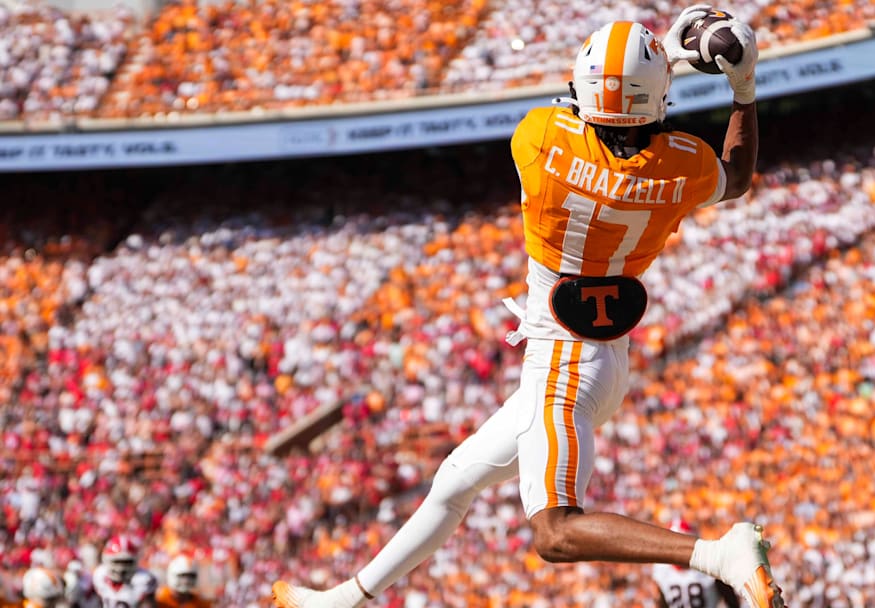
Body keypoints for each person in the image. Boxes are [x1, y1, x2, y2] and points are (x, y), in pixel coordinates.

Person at [272, 5, 785, 607]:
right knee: (455, 479)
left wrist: (665, 58)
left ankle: (717, 554)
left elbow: (595, 109)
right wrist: (742, 88)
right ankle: (345, 598)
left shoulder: (539, 138)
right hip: (604, 356)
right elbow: (737, 175)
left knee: (555, 531)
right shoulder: (683, 163)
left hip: (562, 359)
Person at [653, 520, 740, 608]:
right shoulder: (662, 570)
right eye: (673, 545)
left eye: (681, 545)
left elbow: (731, 600)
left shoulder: (708, 566)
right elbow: (662, 603)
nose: (677, 550)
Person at [91, 536, 158, 608]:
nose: (121, 568)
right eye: (117, 561)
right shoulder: (100, 575)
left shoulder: (144, 579)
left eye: (127, 562)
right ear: (106, 560)